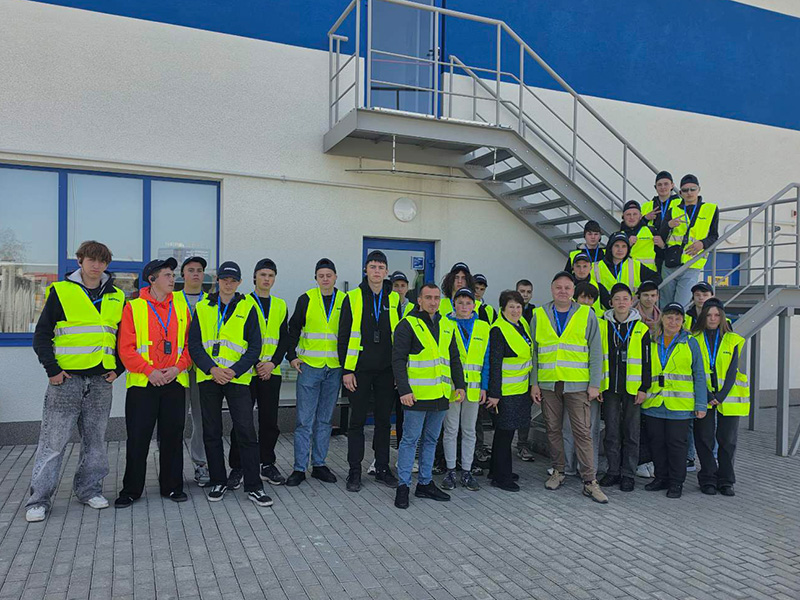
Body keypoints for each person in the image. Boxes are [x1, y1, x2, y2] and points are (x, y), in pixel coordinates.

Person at [27, 241, 125, 523]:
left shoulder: (117, 296)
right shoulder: (62, 291)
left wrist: (118, 369)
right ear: (80, 260)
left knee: (95, 442)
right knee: (53, 443)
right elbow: (42, 335)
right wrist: (52, 370)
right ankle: (38, 500)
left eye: (102, 261)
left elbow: (123, 338)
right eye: (91, 260)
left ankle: (88, 490)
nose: (96, 265)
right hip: (66, 381)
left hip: (100, 381)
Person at [188, 262, 273, 507]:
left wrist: (233, 371)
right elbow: (194, 344)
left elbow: (255, 347)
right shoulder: (203, 307)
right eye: (224, 279)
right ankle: (218, 481)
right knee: (211, 432)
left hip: (238, 379)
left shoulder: (248, 307)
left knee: (246, 431)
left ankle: (254, 486)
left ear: (239, 282)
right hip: (210, 378)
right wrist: (212, 369)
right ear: (218, 280)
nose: (228, 283)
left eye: (233, 280)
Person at [115, 258, 191, 507]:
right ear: (152, 279)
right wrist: (150, 371)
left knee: (173, 437)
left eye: (173, 275)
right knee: (138, 438)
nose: (173, 279)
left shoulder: (180, 306)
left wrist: (177, 368)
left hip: (174, 382)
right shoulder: (133, 307)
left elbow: (190, 345)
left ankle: (172, 487)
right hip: (143, 385)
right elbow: (125, 349)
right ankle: (131, 490)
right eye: (167, 275)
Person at [531, 272, 608, 503]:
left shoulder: (586, 314)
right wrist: (534, 383)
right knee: (553, 430)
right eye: (558, 287)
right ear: (552, 289)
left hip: (577, 384)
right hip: (549, 383)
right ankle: (558, 471)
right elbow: (534, 352)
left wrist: (595, 384)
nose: (562, 291)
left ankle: (590, 481)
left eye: (567, 287)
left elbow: (596, 351)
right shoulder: (539, 314)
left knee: (582, 432)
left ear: (573, 290)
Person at [392, 283, 465, 509]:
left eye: (436, 298)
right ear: (419, 300)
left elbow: (454, 358)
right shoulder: (407, 324)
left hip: (441, 395)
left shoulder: (447, 325)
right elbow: (398, 360)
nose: (433, 302)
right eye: (428, 297)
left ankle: (424, 483)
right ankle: (403, 486)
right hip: (416, 395)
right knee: (410, 441)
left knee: (431, 440)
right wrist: (404, 390)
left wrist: (460, 385)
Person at [338, 250, 402, 492]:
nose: (376, 271)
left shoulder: (394, 298)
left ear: (386, 272)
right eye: (372, 266)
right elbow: (343, 336)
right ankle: (354, 471)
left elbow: (400, 337)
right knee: (356, 422)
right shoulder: (352, 297)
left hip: (387, 371)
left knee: (384, 422)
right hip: (359, 371)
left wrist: (399, 372)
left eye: (380, 267)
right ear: (366, 270)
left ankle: (382, 468)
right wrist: (347, 370)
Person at [227, 259, 289, 488]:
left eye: (270, 275)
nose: (266, 279)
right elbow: (237, 337)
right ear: (254, 277)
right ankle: (238, 466)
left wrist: (272, 363)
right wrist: (255, 364)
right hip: (246, 373)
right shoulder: (242, 302)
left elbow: (284, 338)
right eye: (262, 274)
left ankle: (267, 463)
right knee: (242, 422)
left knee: (269, 421)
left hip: (271, 372)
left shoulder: (280, 305)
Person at [285, 258, 345, 486]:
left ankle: (319, 464)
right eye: (321, 276)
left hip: (335, 368)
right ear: (316, 278)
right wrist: (291, 356)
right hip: (309, 367)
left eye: (329, 275)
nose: (325, 279)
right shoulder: (306, 299)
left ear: (335, 277)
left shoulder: (345, 300)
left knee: (325, 420)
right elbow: (293, 329)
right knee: (304, 421)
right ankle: (299, 468)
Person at [642, 302, 707, 499]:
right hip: (654, 402)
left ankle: (676, 482)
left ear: (683, 321)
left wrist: (701, 404)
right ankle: (661, 478)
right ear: (662, 319)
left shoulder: (690, 342)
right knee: (657, 443)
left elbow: (699, 374)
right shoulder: (651, 339)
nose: (673, 322)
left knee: (676, 445)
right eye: (669, 317)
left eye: (678, 318)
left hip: (680, 406)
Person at [691, 298, 750, 496]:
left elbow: (733, 370)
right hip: (704, 395)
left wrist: (721, 395)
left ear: (722, 317)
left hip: (728, 396)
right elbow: (694, 368)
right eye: (709, 315)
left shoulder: (733, 339)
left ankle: (726, 480)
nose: (713, 319)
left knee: (727, 440)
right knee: (704, 438)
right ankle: (708, 478)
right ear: (703, 316)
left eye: (717, 315)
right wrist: (708, 395)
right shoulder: (694, 338)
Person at [598, 283, 651, 492]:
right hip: (609, 388)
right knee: (611, 432)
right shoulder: (602, 325)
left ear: (632, 302)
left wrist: (644, 387)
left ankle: (628, 474)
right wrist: (597, 385)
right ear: (611, 302)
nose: (621, 302)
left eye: (625, 299)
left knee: (631, 433)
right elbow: (596, 357)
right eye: (617, 299)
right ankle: (613, 471)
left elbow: (647, 361)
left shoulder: (641, 328)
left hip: (633, 389)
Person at [441, 288, 488, 492]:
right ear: (454, 305)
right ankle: (451, 470)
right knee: (451, 429)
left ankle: (467, 471)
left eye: (468, 303)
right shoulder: (444, 323)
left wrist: (485, 386)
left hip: (474, 387)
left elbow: (486, 360)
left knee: (469, 430)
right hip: (452, 385)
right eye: (460, 302)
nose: (464, 306)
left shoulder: (483, 326)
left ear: (474, 306)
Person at [486, 290, 534, 492]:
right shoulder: (498, 330)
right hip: (504, 393)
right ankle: (501, 477)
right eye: (511, 307)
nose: (515, 310)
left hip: (519, 390)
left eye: (518, 306)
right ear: (502, 309)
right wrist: (494, 394)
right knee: (504, 434)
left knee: (507, 433)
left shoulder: (521, 324)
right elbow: (495, 364)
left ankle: (496, 470)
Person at [174, 256, 210, 487]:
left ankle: (201, 463)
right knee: (174, 420)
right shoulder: (172, 299)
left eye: (199, 270)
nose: (195, 274)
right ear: (183, 274)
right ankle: (172, 467)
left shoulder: (212, 301)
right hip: (177, 368)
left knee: (201, 419)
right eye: (190, 270)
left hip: (202, 369)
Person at [660, 174, 720, 308]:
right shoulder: (673, 210)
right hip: (670, 262)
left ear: (699, 189)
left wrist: (702, 244)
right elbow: (661, 235)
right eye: (685, 190)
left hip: (692, 263)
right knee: (665, 305)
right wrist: (668, 225)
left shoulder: (710, 209)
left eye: (693, 189)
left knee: (681, 305)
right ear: (680, 193)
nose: (689, 193)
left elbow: (714, 236)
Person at [632, 280, 660, 479]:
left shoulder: (662, 318)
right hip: (635, 379)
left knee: (652, 423)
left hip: (656, 378)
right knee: (637, 424)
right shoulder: (632, 318)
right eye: (645, 295)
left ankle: (652, 460)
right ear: (639, 297)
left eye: (653, 295)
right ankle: (640, 461)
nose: (649, 299)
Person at [642, 171, 681, 274]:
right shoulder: (646, 206)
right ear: (655, 187)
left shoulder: (680, 204)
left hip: (672, 251)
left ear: (672, 185)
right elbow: (636, 227)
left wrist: (664, 244)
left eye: (666, 184)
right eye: (659, 185)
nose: (663, 187)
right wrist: (645, 218)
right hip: (651, 251)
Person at [594, 232, 654, 297]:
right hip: (603, 304)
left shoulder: (635, 265)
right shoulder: (595, 267)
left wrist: (639, 294)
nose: (620, 250)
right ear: (610, 248)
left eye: (624, 246)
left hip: (630, 303)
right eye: (617, 246)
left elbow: (656, 278)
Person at [619, 200, 657, 273]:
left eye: (635, 214)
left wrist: (662, 245)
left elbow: (661, 255)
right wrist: (627, 245)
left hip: (649, 275)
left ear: (640, 216)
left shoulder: (652, 231)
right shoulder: (618, 236)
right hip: (626, 276)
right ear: (623, 216)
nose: (632, 217)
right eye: (628, 214)